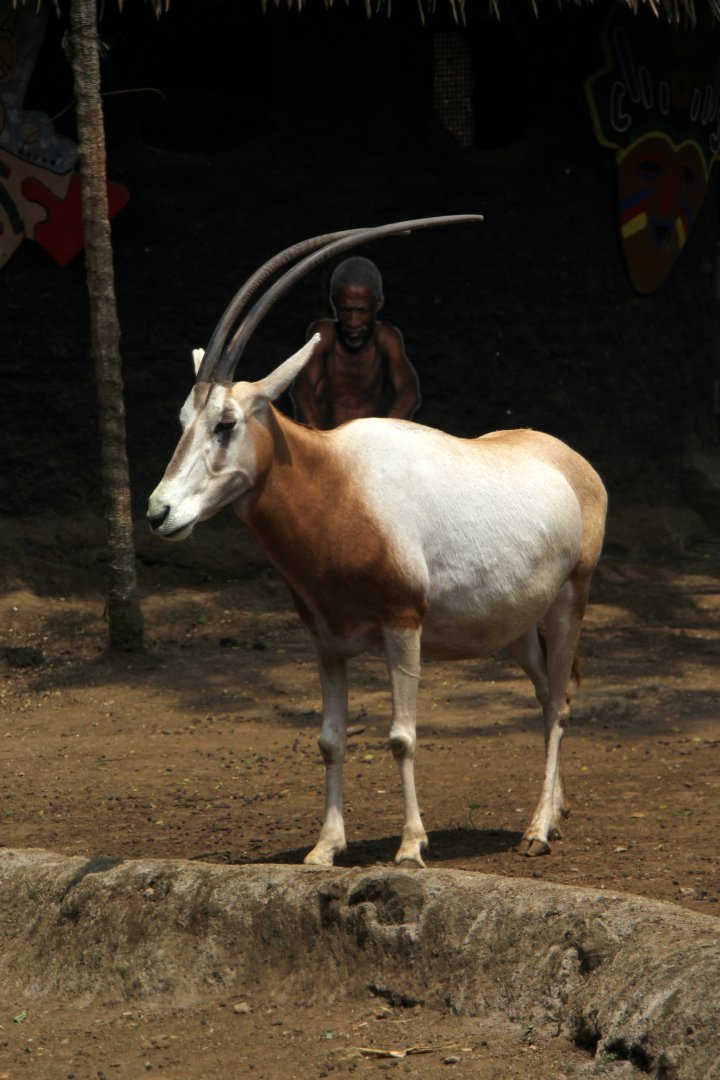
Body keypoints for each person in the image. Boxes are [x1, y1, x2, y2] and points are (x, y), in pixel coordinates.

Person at [290, 256, 420, 429]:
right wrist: (318, 440)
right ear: (334, 303)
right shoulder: (324, 335)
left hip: (372, 441)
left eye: (362, 311)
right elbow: (301, 388)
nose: (353, 322)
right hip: (327, 438)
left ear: (378, 304)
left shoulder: (386, 338)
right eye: (345, 310)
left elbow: (409, 392)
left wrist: (381, 436)